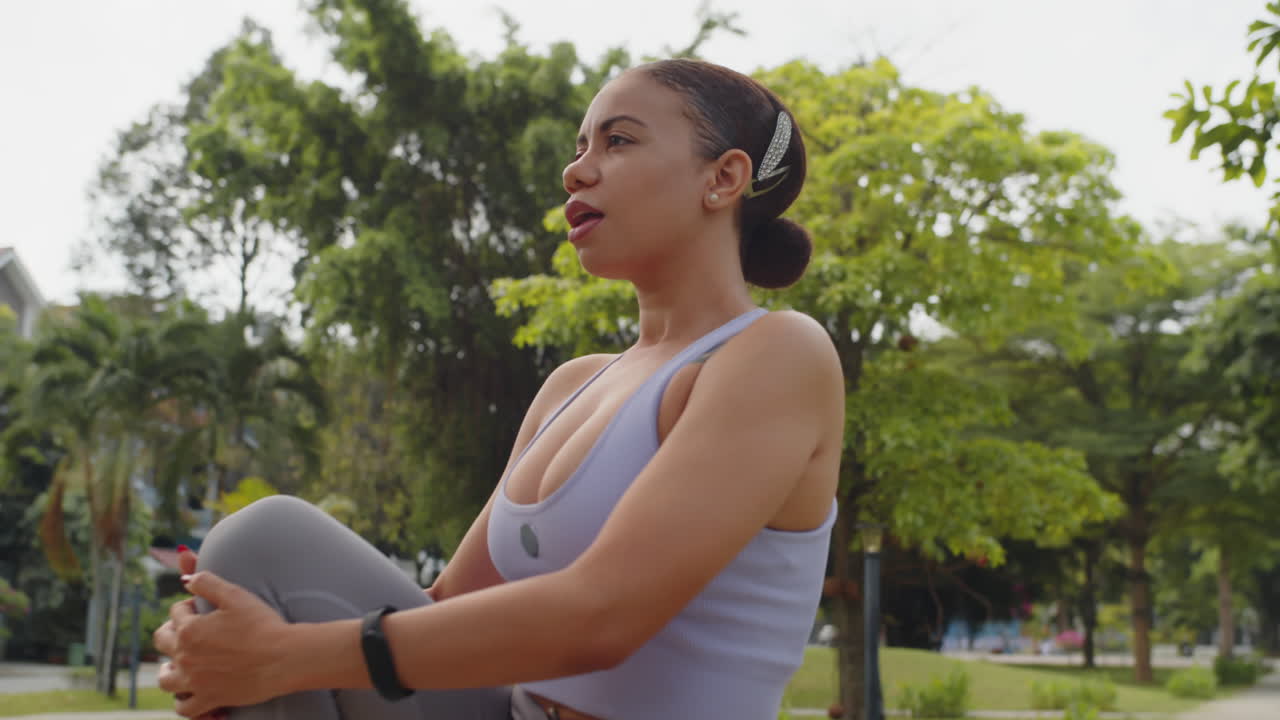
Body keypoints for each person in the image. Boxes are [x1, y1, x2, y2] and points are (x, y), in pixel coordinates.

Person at [155, 57, 845, 720]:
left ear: (723, 178)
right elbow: (444, 608)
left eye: (619, 140)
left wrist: (289, 657)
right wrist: (224, 653)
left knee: (286, 637)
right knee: (260, 545)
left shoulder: (778, 354)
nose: (576, 169)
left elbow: (603, 616)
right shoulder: (572, 386)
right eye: (580, 145)